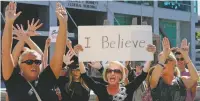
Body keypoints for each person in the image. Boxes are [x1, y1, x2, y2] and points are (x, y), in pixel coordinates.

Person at [2, 2, 68, 101]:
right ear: (20, 65)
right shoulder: (13, 81)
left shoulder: (47, 79)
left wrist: (63, 23)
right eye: (29, 62)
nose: (34, 65)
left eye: (37, 62)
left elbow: (59, 53)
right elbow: (6, 52)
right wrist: (9, 23)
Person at [79, 44, 156, 101]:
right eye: (109, 71)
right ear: (106, 75)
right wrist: (80, 55)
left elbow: (143, 75)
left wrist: (150, 55)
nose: (112, 73)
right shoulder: (100, 89)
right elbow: (84, 76)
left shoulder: (128, 90)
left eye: (116, 71)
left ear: (121, 75)